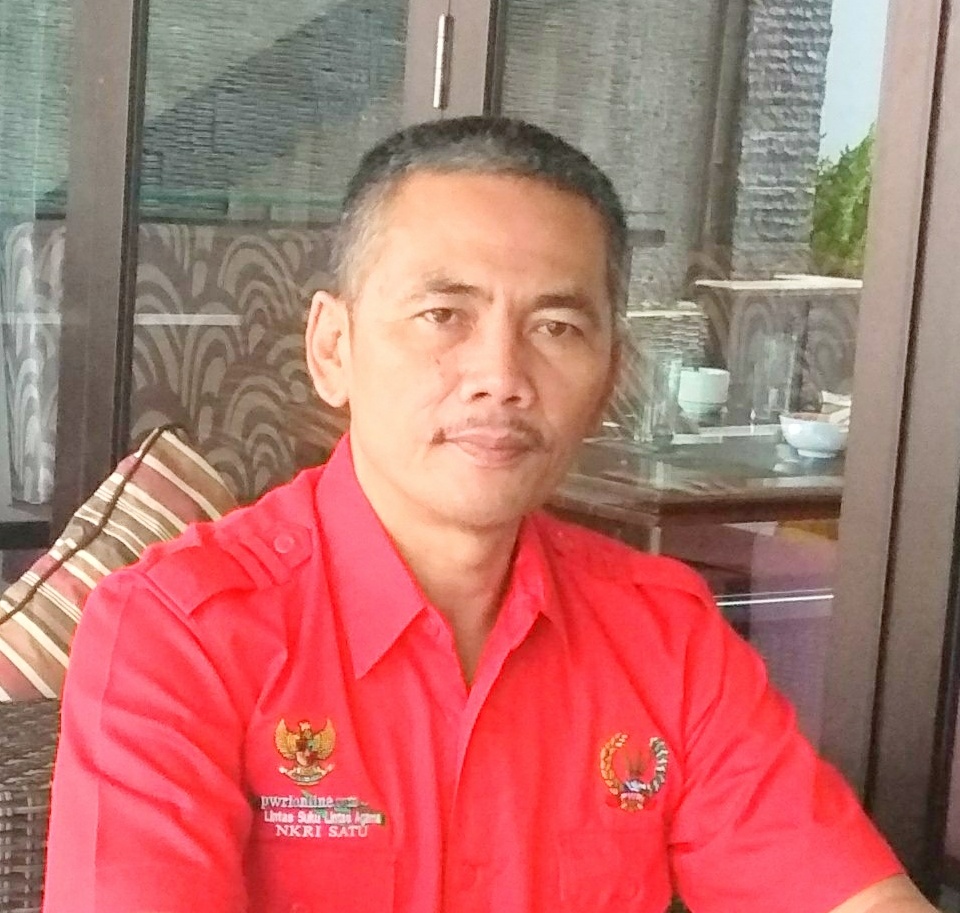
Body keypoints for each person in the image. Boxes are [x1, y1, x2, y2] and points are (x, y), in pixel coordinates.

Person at [43, 116, 935, 913]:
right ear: (332, 348)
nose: (501, 376)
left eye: (556, 327)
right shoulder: (178, 632)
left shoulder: (664, 635)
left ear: (610, 377)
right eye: (443, 314)